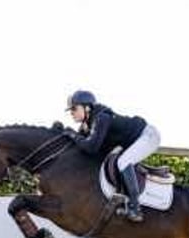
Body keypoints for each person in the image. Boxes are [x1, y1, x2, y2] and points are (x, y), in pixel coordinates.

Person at [63, 90, 161, 222]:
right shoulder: (89, 123)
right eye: (71, 110)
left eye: (74, 108)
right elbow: (82, 145)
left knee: (123, 162)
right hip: (133, 141)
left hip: (147, 136)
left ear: (87, 107)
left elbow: (91, 147)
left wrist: (72, 134)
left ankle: (135, 207)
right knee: (117, 161)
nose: (72, 113)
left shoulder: (101, 117)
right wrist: (61, 132)